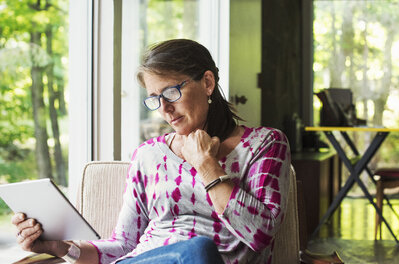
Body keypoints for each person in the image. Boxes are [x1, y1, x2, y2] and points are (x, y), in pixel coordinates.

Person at [12, 39, 291, 264]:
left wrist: (206, 165)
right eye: (154, 99)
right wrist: (60, 247)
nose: (164, 109)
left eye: (171, 92)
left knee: (199, 251)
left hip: (201, 258)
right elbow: (123, 245)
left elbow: (261, 234)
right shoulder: (148, 156)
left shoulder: (265, 145)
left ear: (207, 83)